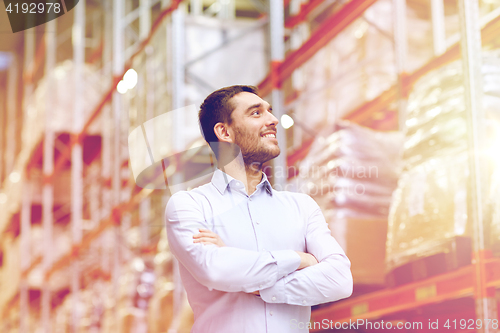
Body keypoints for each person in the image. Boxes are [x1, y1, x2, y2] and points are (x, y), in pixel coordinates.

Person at [165, 85, 353, 333]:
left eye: (270, 111)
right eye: (256, 113)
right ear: (224, 132)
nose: (273, 120)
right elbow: (214, 269)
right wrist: (300, 259)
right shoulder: (189, 205)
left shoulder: (302, 206)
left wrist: (257, 285)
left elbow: (339, 280)